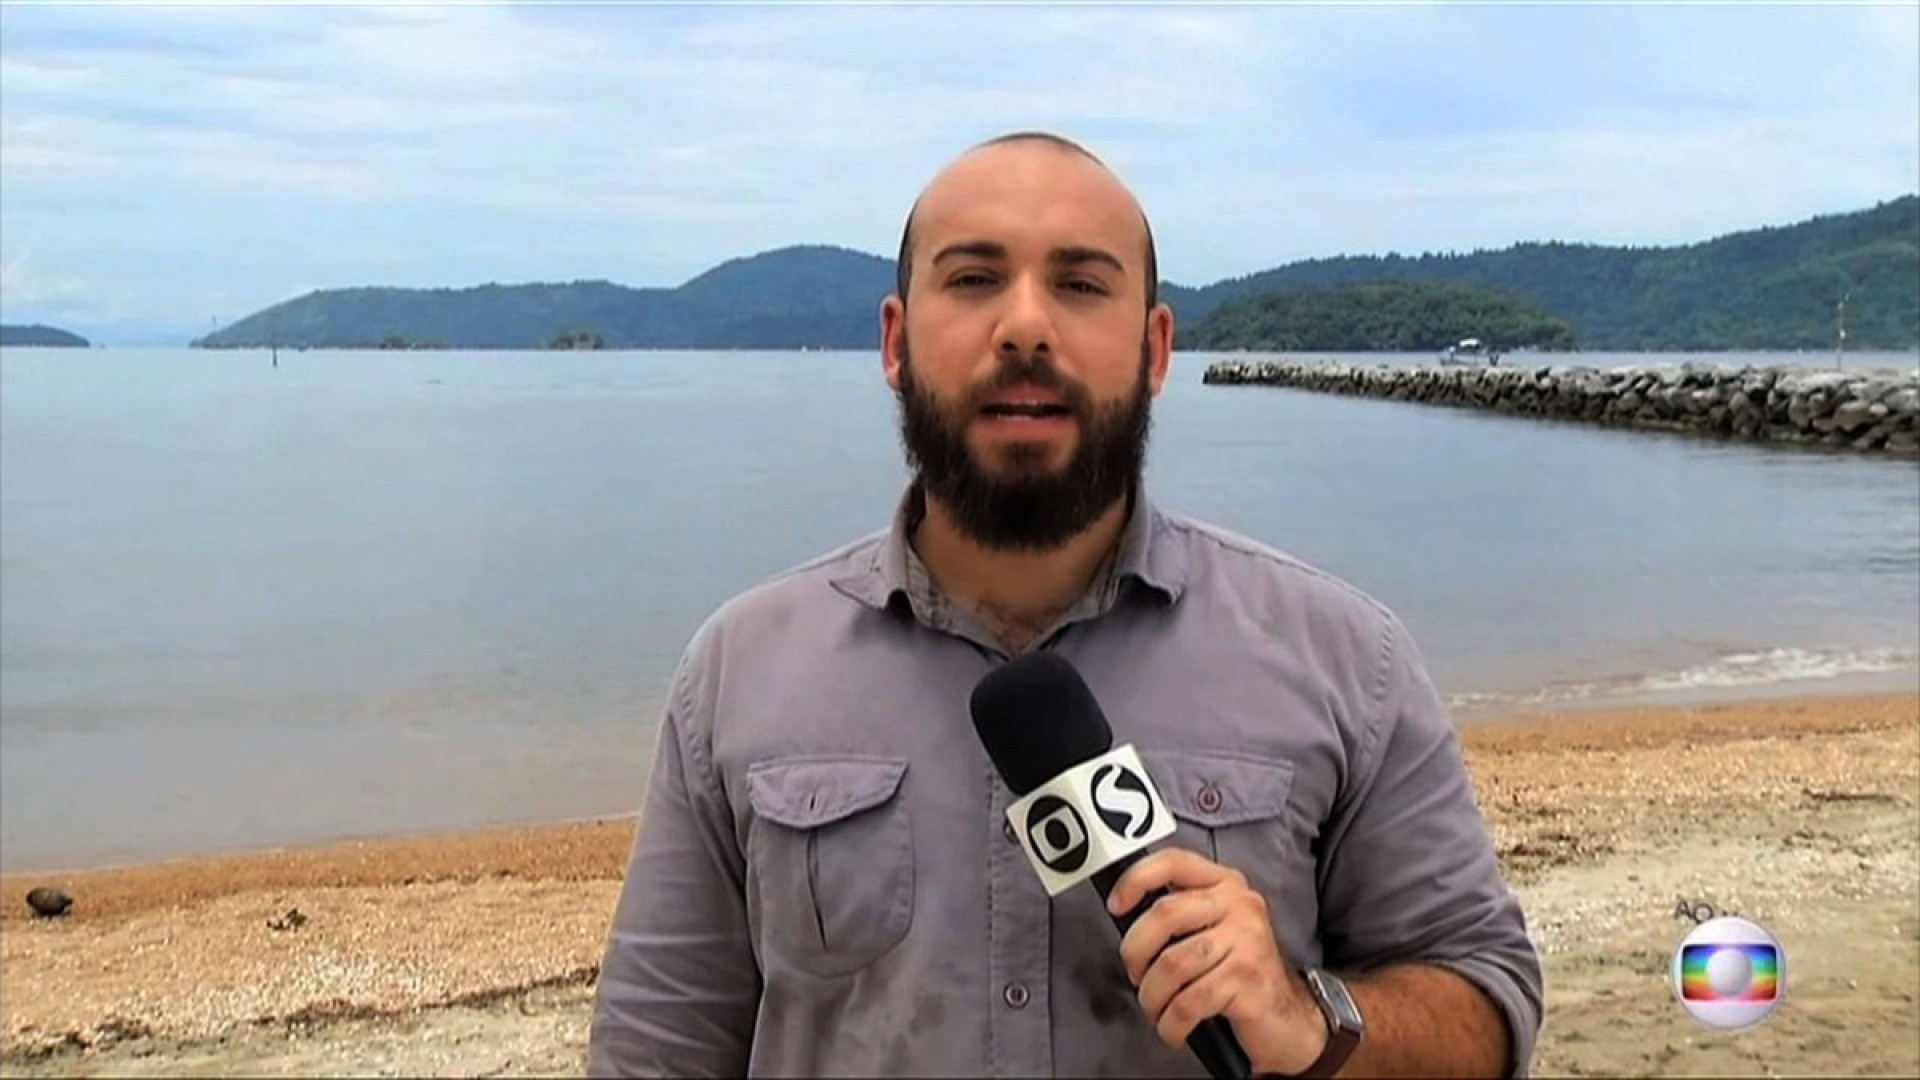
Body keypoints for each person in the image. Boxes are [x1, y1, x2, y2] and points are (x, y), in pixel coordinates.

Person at [586, 132, 1544, 1078]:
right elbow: (654, 1052)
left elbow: (1488, 1004)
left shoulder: (1347, 660)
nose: (1026, 327)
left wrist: (1312, 1018)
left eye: (1082, 285)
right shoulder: (739, 670)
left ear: (1156, 347)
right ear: (895, 340)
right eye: (972, 280)